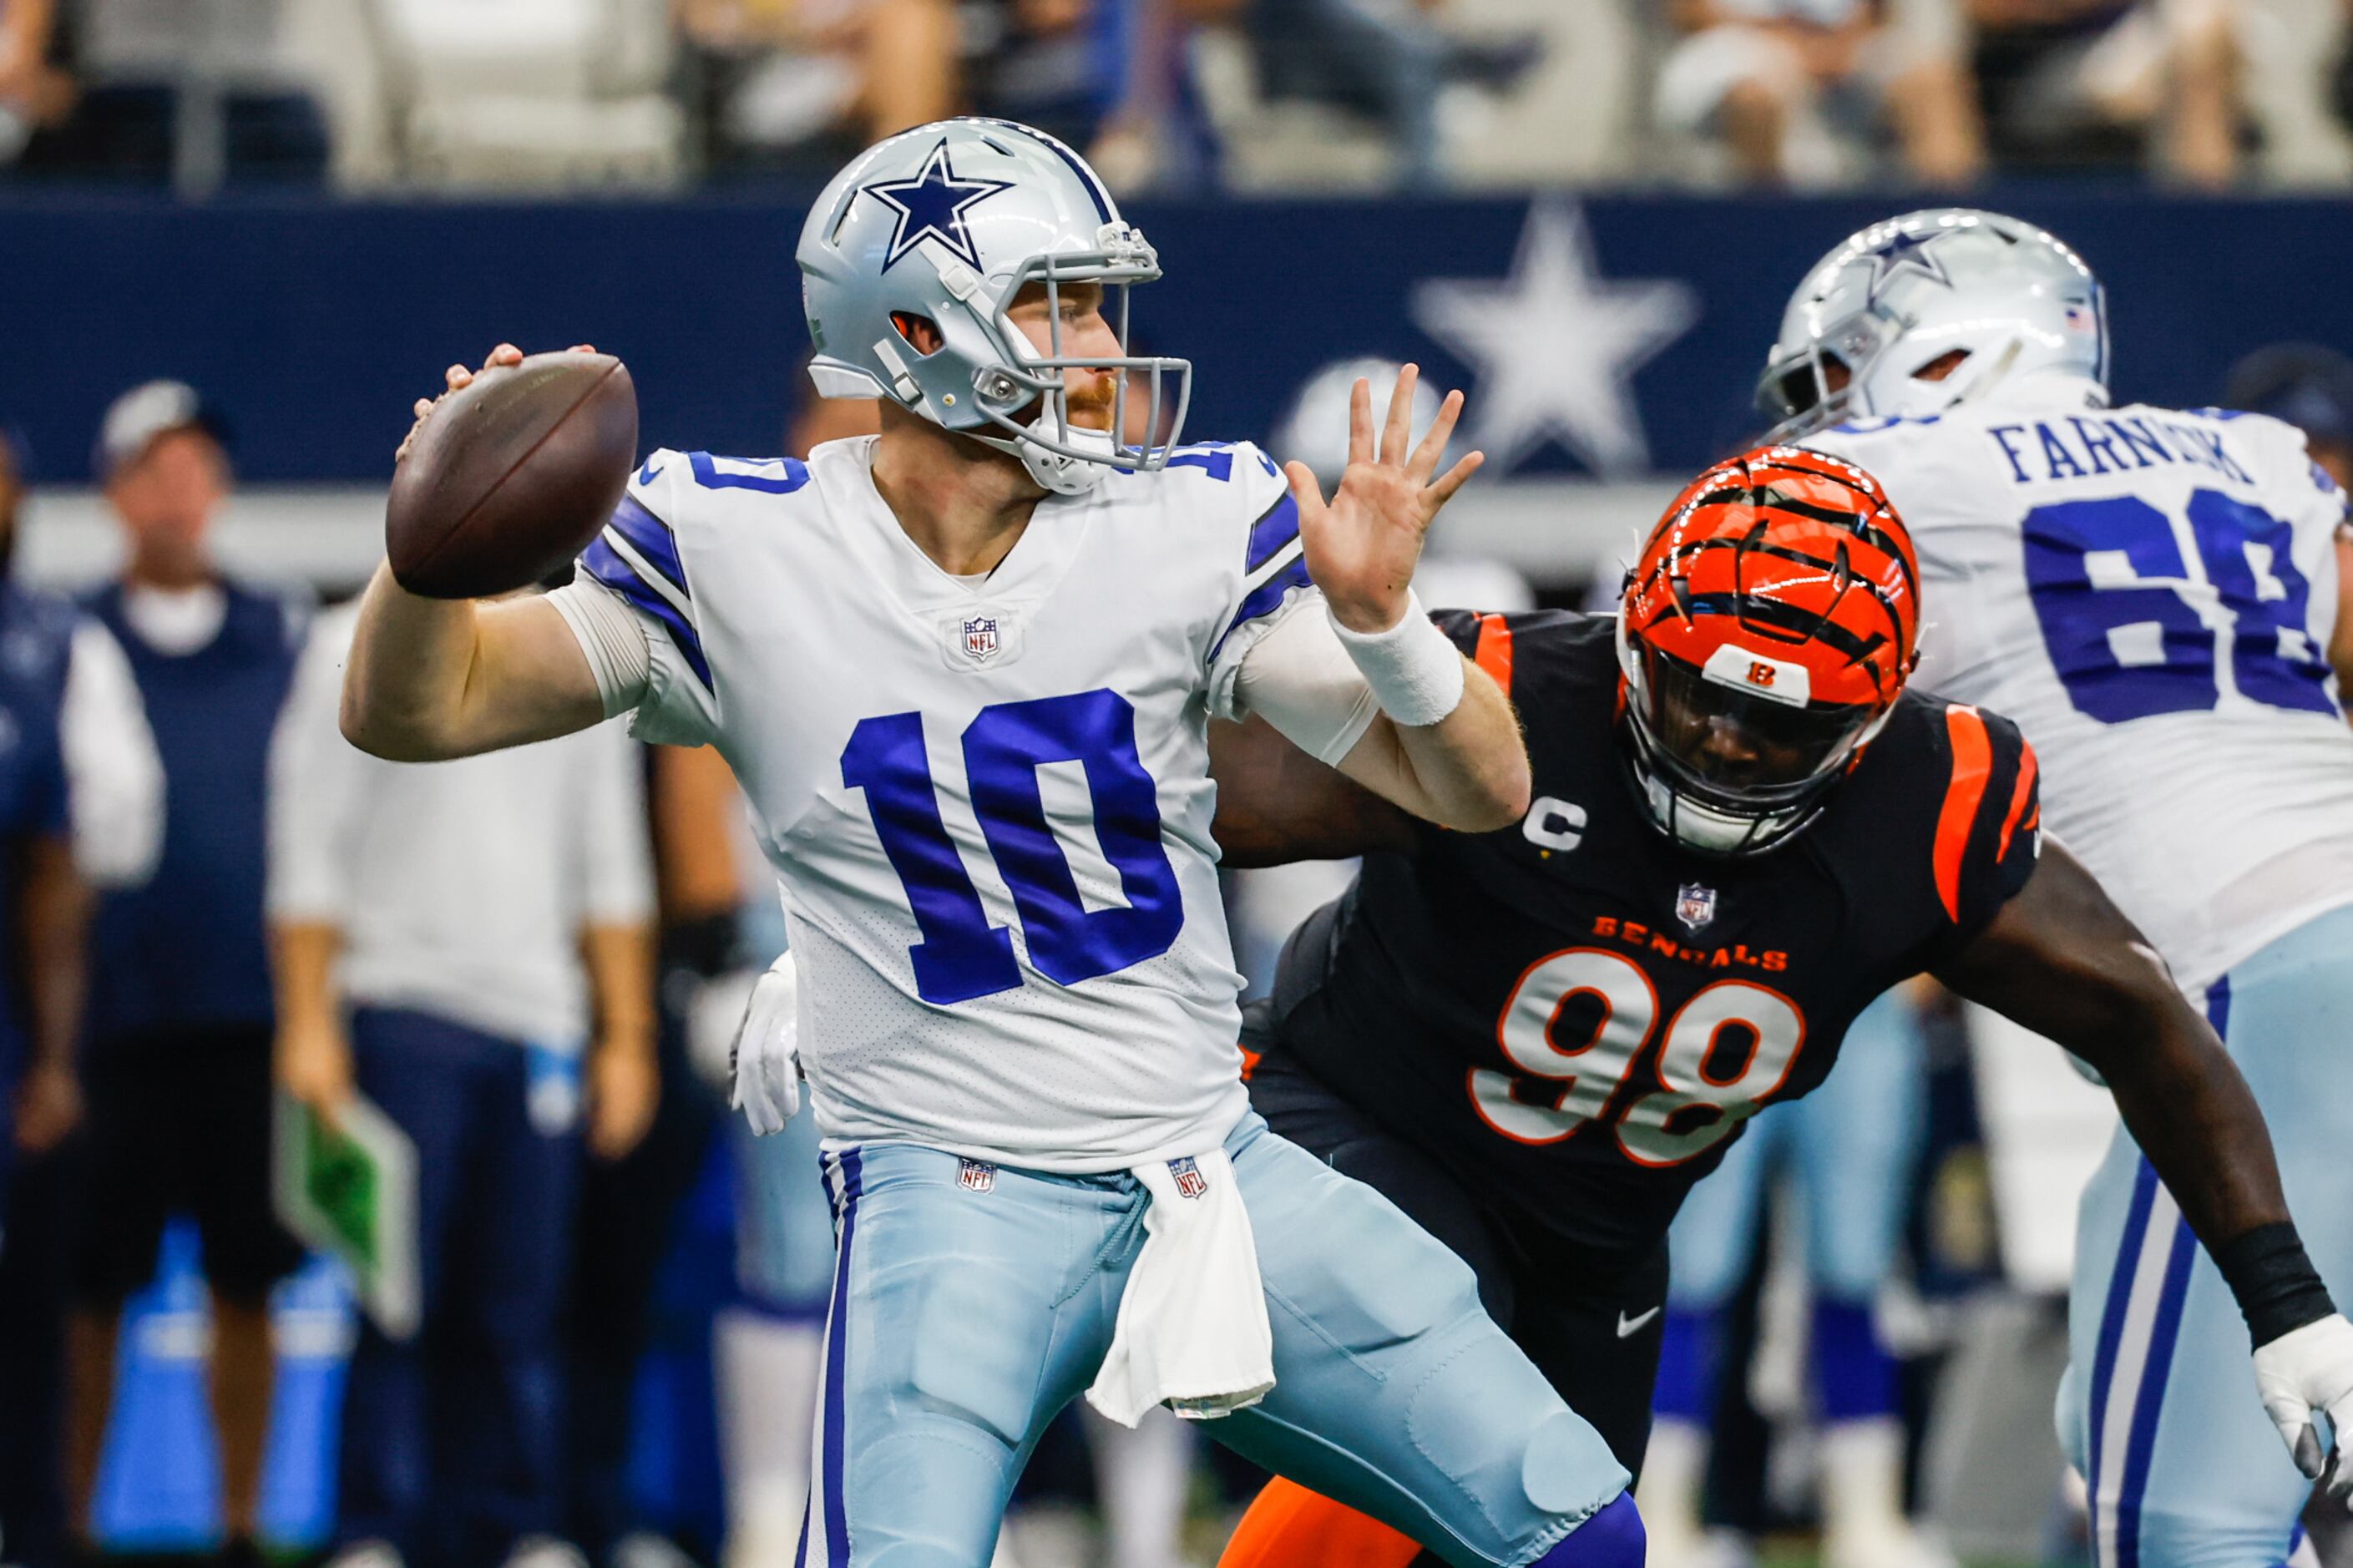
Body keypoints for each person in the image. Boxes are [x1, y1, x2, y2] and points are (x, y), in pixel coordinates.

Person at [339, 117, 1647, 1567]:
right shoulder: (733, 541)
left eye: (1098, 303)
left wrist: (1387, 626)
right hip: (946, 1193)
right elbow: (421, 709)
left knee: (1579, 1532)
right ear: (912, 329)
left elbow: (1479, 790)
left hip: (1207, 1160)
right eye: (1058, 301)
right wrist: (424, 564)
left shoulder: (1186, 522)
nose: (1098, 343)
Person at [1197, 443, 2353, 1568]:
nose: (1724, 739)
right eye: (1697, 690)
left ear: (1871, 715)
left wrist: (2287, 1301)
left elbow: (2143, 1027)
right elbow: (1172, 811)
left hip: (1595, 1240)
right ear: (1635, 632)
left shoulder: (1929, 806)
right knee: (1505, 1451)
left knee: (1564, 1525)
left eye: (1783, 724)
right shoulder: (1508, 703)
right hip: (1354, 1124)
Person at [1761, 206, 2353, 1568]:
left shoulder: (1880, 477)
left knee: (2179, 1516)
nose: (1817, 420)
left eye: (1830, 380)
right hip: (2302, 938)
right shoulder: (2261, 457)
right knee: (2141, 1432)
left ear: (1934, 348)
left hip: (2241, 1003)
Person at [271, 589, 659, 1568]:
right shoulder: (348, 642)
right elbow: (308, 841)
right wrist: (309, 1022)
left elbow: (608, 864)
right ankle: (373, 1531)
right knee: (393, 1298)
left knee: (518, 1302)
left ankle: (510, 1524)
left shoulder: (583, 647)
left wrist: (627, 1036)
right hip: (399, 1012)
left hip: (539, 1025)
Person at [64, 380, 306, 1567]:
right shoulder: (64, 640)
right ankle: (66, 1525)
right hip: (106, 1027)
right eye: (152, 465)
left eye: (195, 462)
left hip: (250, 1018)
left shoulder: (281, 637)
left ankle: (243, 1527)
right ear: (115, 489)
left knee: (247, 1280)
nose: (176, 486)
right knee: (87, 1285)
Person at [0, 419, 161, 1568]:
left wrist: (53, 1058)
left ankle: (45, 1526)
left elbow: (74, 860)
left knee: (36, 1308)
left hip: (11, 1038)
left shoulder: (48, 645)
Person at [1637, 982, 1945, 1568]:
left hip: (1860, 1002)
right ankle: (1659, 1514)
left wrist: (1923, 960)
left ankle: (1867, 1519)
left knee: (1857, 1270)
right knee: (1690, 1272)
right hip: (1723, 1001)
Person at [1656, 0, 1984, 188]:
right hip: (1736, 41)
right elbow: (1691, 13)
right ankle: (1765, 226)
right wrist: (1788, 43)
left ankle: (1954, 234)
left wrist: (1839, 44)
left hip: (1841, 45)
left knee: (1930, 81)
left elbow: (1872, 11)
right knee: (1752, 98)